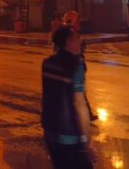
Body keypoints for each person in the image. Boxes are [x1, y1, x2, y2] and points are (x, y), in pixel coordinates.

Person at [42, 25, 96, 168]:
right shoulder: (75, 66)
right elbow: (79, 104)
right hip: (70, 137)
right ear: (68, 42)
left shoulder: (47, 64)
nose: (80, 41)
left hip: (50, 133)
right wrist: (87, 141)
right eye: (77, 38)